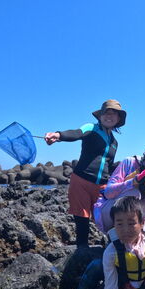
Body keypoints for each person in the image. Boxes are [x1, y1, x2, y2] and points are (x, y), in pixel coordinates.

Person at [44, 99, 126, 247]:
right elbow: (76, 133)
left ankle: (114, 248)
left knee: (106, 217)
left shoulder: (114, 143)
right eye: (106, 113)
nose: (109, 116)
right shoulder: (91, 128)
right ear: (100, 116)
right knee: (82, 218)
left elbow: (108, 165)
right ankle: (82, 249)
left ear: (118, 119)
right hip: (81, 181)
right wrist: (58, 135)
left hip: (101, 186)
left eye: (113, 114)